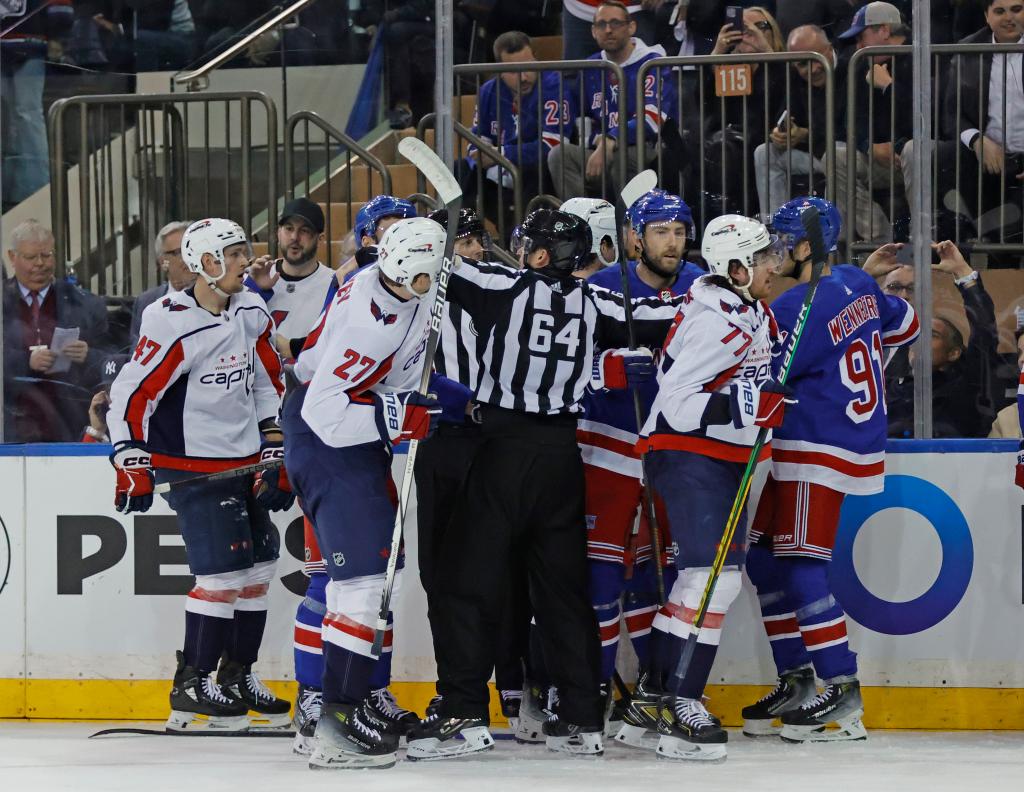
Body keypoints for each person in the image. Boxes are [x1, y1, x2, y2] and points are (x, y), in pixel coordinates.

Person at [412, 208, 682, 760]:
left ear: (537, 255)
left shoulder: (501, 286)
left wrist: (443, 220)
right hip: (562, 457)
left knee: (467, 584)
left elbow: (432, 265)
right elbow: (671, 316)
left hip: (499, 451)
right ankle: (583, 717)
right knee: (564, 592)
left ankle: (463, 712)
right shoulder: (599, 301)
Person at [741, 197, 919, 744]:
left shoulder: (795, 309)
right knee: (765, 561)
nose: (773, 253)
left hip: (814, 445)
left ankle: (841, 690)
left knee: (798, 565)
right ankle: (797, 678)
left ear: (802, 247)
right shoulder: (855, 283)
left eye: (780, 243)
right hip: (847, 438)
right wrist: (857, 289)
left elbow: (765, 378)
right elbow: (906, 326)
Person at [283, 217, 458, 769]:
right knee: (361, 585)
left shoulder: (389, 282)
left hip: (353, 445)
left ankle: (346, 704)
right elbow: (325, 411)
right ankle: (335, 719)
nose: (437, 280)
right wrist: (396, 416)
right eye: (431, 273)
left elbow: (399, 377)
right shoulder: (369, 324)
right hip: (329, 443)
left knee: (371, 580)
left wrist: (450, 400)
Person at [106, 218, 292, 732]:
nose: (243, 262)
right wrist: (129, 458)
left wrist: (274, 445)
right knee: (223, 573)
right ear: (204, 264)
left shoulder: (251, 308)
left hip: (244, 460)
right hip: (190, 467)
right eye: (232, 255)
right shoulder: (170, 320)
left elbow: (265, 380)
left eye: (242, 252)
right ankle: (191, 686)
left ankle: (234, 678)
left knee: (259, 567)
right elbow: (132, 395)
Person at [627, 214, 785, 762]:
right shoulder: (715, 317)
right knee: (709, 582)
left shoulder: (744, 306)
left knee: (705, 582)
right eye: (764, 258)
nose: (775, 266)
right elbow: (676, 402)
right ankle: (681, 702)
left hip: (722, 456)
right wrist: (745, 405)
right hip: (692, 454)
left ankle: (657, 695)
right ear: (736, 267)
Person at [575, 190, 704, 737]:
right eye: (660, 232)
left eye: (679, 231)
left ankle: (656, 690)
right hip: (605, 447)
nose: (672, 243)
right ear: (634, 238)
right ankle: (591, 694)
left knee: (662, 576)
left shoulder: (703, 286)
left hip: (670, 451)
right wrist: (604, 371)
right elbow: (562, 368)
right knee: (600, 578)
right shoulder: (599, 291)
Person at [416, 207, 530, 732]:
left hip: (497, 441)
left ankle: (514, 684)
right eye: (463, 243)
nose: (475, 251)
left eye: (479, 240)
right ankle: (457, 691)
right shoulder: (416, 294)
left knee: (504, 571)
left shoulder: (507, 286)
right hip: (441, 446)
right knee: (442, 578)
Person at [752, 25, 891, 243]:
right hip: (816, 152)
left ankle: (878, 240)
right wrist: (780, 133)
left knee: (836, 155)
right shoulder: (795, 77)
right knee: (764, 153)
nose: (812, 69)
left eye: (816, 59)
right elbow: (786, 114)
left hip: (852, 153)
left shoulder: (854, 68)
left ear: (828, 49)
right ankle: (781, 240)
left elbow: (852, 129)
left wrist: (806, 135)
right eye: (802, 64)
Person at [547, 1, 677, 201]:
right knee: (559, 155)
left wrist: (610, 140)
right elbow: (583, 117)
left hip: (646, 150)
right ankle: (582, 223)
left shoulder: (652, 61)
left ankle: (626, 228)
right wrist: (595, 141)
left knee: (621, 158)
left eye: (615, 23)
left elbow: (651, 119)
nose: (608, 30)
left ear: (631, 27)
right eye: (601, 25)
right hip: (601, 150)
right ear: (593, 31)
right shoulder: (590, 66)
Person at [3, 220, 109, 443]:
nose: (40, 264)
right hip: (11, 425)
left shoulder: (86, 304)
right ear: (12, 258)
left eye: (47, 255)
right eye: (31, 257)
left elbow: (113, 360)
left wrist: (89, 355)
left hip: (69, 425)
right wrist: (25, 361)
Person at [464, 31, 578, 236]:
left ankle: (524, 242)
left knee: (534, 171)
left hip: (536, 172)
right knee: (461, 171)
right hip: (500, 170)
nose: (524, 76)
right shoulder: (489, 91)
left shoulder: (553, 85)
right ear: (499, 70)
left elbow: (552, 145)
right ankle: (462, 239)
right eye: (514, 71)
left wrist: (502, 154)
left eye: (528, 66)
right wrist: (477, 156)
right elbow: (476, 139)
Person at [932, 0, 1024, 252]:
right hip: (985, 157)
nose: (1009, 18)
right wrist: (977, 140)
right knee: (941, 156)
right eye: (999, 11)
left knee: (1011, 236)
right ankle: (956, 244)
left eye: (1017, 9)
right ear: (986, 16)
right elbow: (951, 114)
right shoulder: (968, 50)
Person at [885, 243, 1002, 438]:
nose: (920, 341)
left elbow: (984, 333)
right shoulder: (888, 387)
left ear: (954, 352)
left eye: (932, 334)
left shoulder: (966, 388)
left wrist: (962, 272)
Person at [838, 2, 911, 241]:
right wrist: (870, 146)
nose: (859, 46)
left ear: (884, 31)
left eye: (862, 37)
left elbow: (926, 120)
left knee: (913, 151)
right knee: (835, 158)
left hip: (914, 159)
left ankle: (918, 243)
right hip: (878, 159)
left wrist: (889, 88)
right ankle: (880, 240)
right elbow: (852, 121)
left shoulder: (922, 55)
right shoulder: (861, 63)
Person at [0, 0, 73, 210]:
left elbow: (59, 5)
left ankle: (36, 189)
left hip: (30, 42)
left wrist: (58, 36)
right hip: (19, 41)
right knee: (18, 116)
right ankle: (17, 187)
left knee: (27, 113)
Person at [244, 198, 337, 358]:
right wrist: (255, 290)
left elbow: (334, 344)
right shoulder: (253, 276)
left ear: (320, 238)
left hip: (306, 380)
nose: (295, 237)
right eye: (289, 229)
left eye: (305, 230)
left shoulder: (334, 285)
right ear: (278, 233)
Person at [130, 221, 196, 347]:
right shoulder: (146, 301)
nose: (188, 257)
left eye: (191, 249)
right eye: (179, 252)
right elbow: (136, 351)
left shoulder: (211, 295)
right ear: (163, 262)